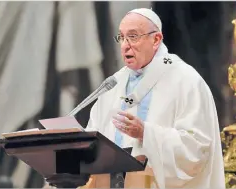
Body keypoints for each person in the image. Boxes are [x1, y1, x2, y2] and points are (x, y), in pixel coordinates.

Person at [84, 8, 225, 188]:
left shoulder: (186, 81)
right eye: (121, 37)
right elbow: (94, 139)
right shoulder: (113, 85)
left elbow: (197, 148)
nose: (125, 45)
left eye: (133, 37)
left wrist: (145, 133)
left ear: (156, 39)